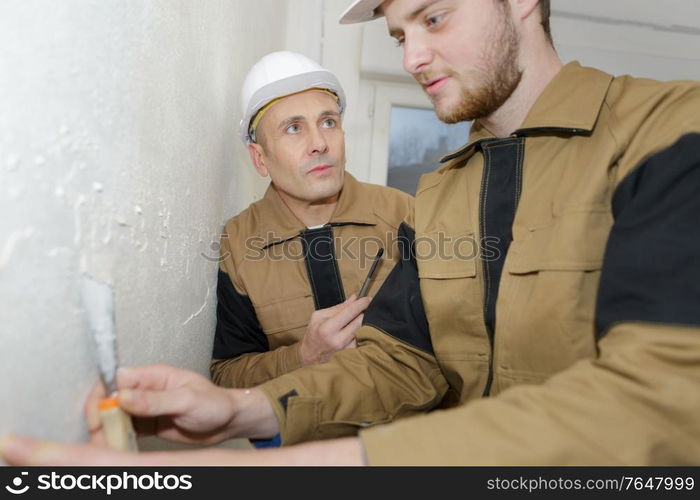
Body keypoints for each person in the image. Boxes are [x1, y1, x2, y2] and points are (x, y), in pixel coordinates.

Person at [2, 0, 699, 466]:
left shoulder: (669, 131)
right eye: (400, 35)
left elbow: (661, 400)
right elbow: (405, 361)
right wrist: (241, 409)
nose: (413, 57)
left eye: (433, 17)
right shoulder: (445, 192)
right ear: (259, 154)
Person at [209, 51, 412, 393]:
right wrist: (304, 356)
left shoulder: (402, 214)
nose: (319, 144)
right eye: (293, 128)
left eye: (328, 122)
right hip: (305, 443)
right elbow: (228, 375)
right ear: (260, 159)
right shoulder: (240, 242)